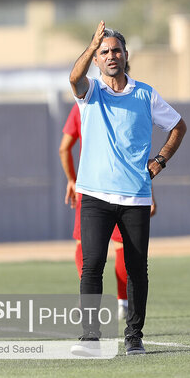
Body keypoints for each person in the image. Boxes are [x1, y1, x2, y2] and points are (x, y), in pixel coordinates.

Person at [68, 21, 186, 356]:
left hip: (135, 195)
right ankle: (90, 338)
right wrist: (90, 45)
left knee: (136, 268)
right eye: (103, 52)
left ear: (125, 54)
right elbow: (73, 79)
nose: (110, 56)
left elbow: (178, 126)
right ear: (96, 59)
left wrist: (160, 161)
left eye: (115, 50)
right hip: (94, 195)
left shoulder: (145, 94)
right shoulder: (90, 92)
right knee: (92, 265)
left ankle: (134, 336)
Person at [59, 103, 157, 320]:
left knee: (84, 245)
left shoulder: (85, 104)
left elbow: (64, 147)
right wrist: (150, 191)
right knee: (123, 247)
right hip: (126, 186)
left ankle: (90, 298)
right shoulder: (132, 104)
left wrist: (72, 180)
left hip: (91, 185)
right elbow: (137, 152)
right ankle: (123, 302)